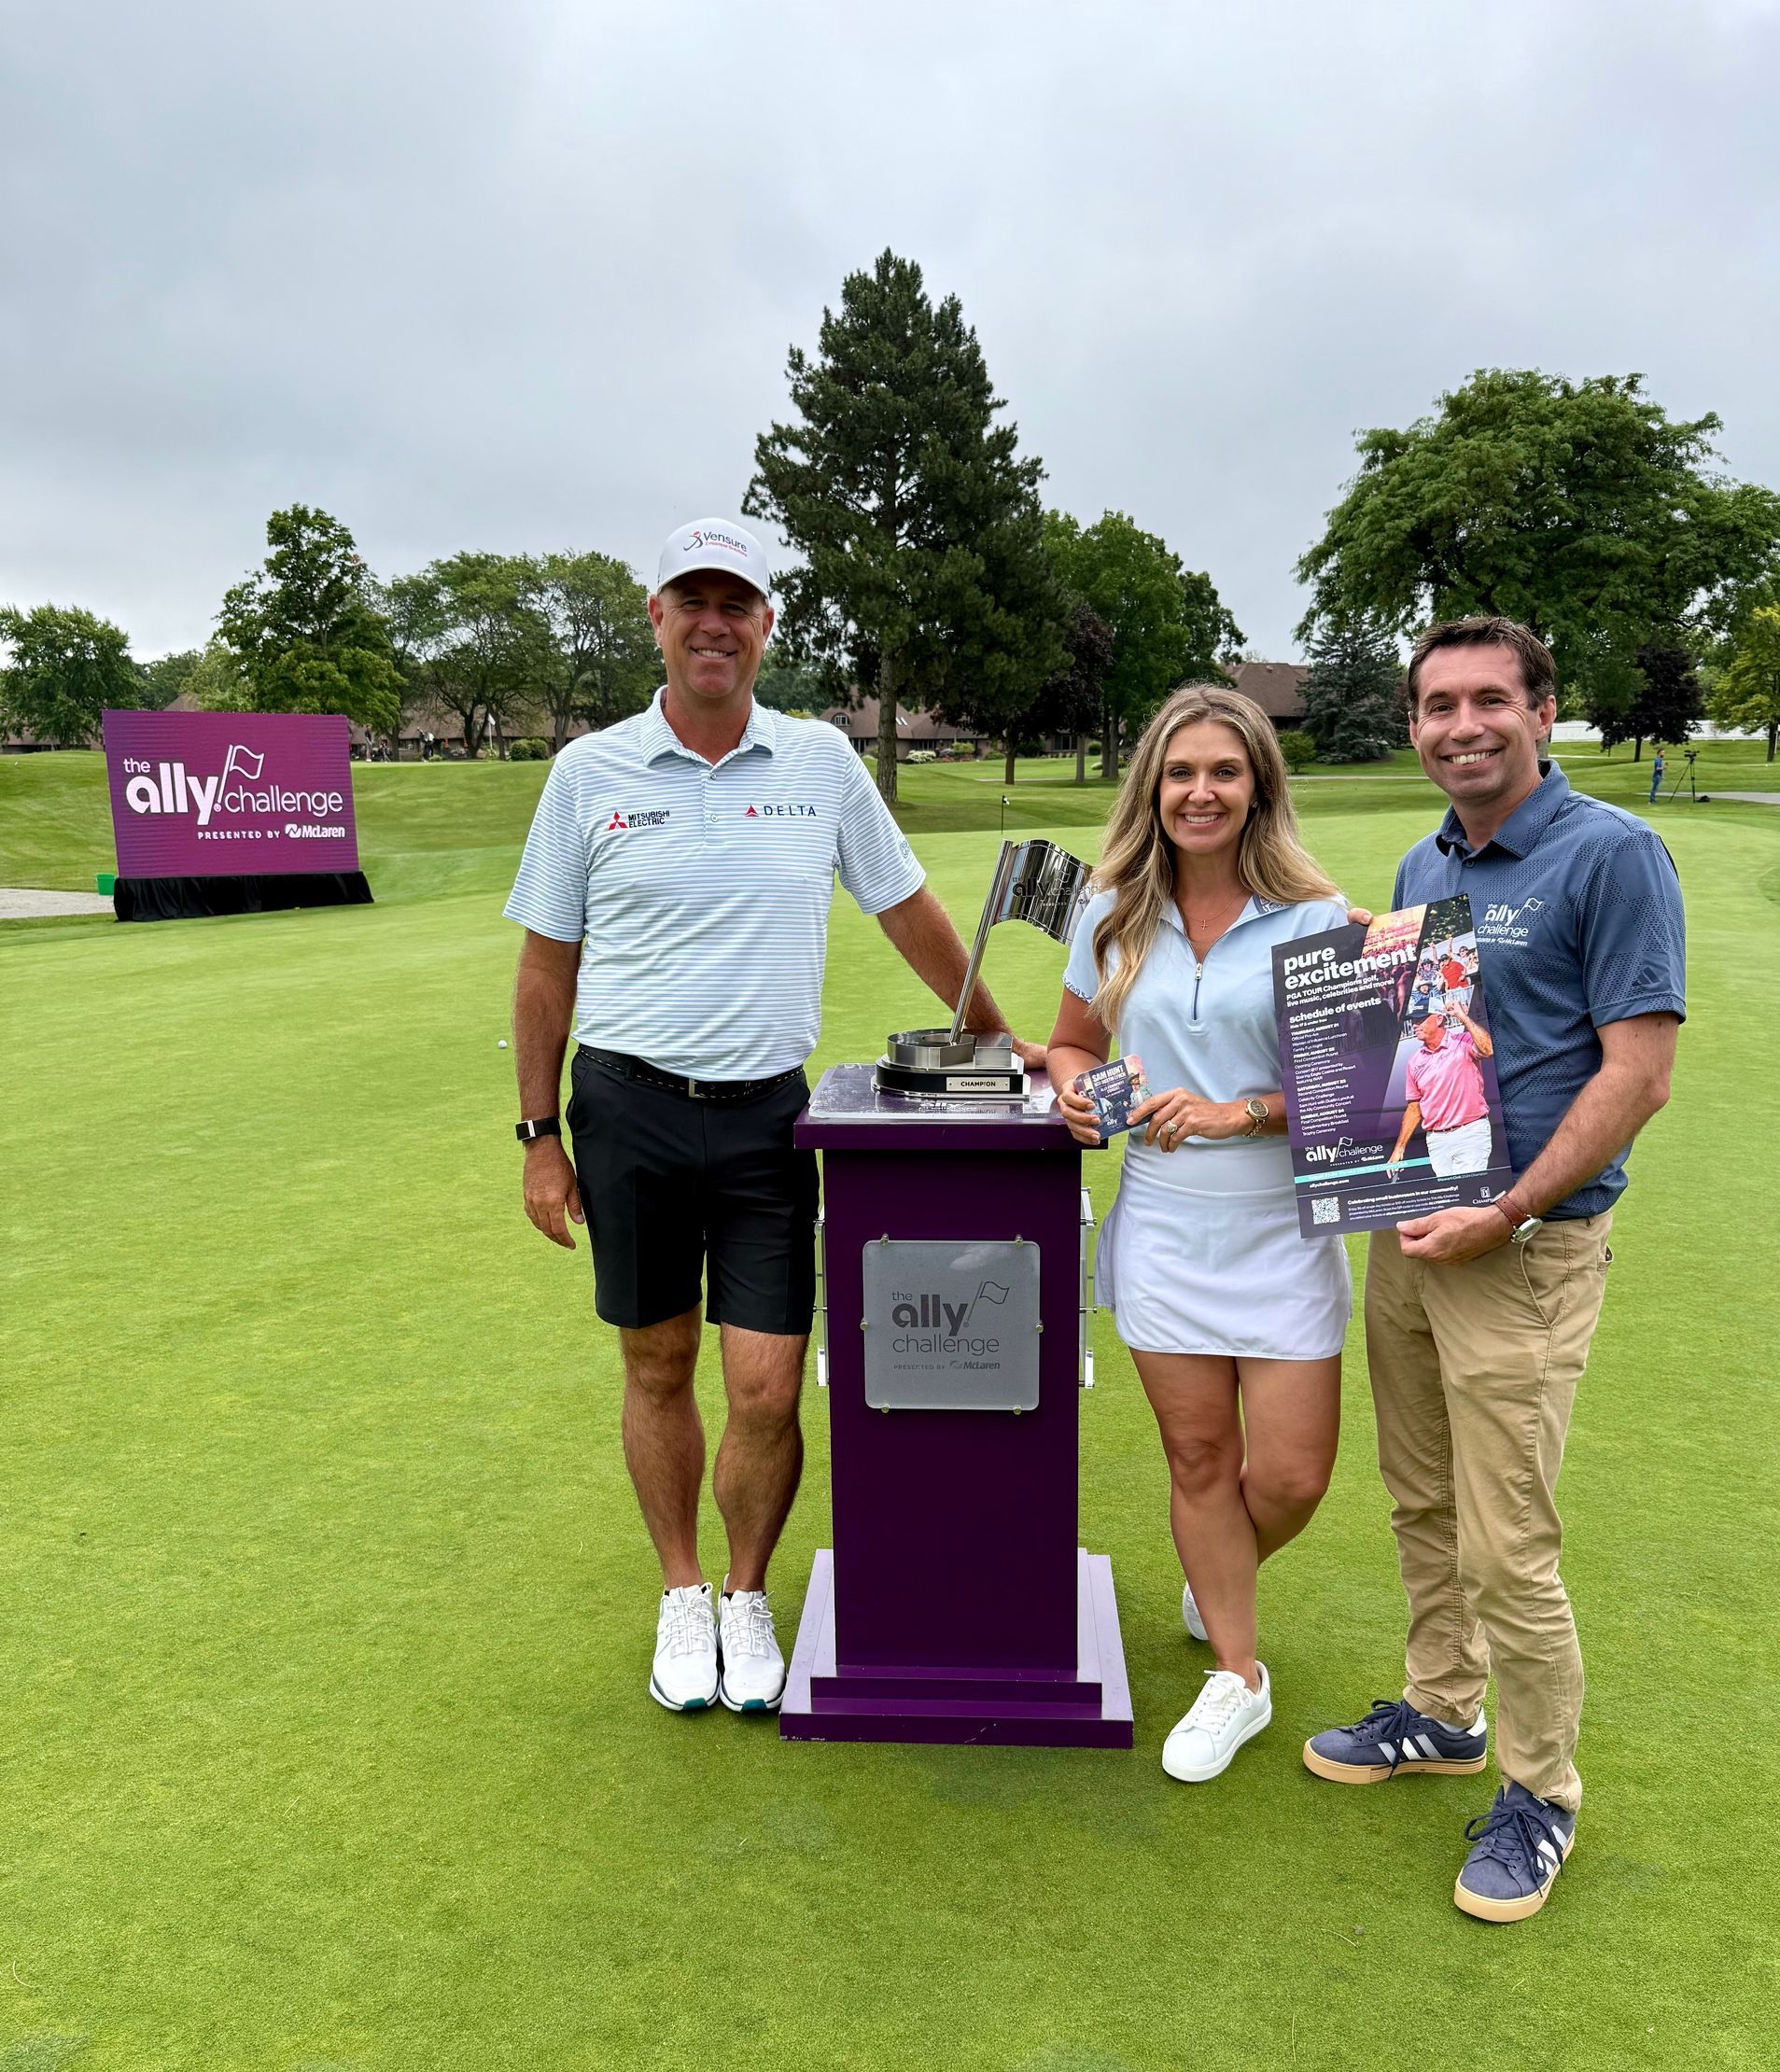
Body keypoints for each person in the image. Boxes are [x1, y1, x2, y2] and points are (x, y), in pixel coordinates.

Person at [505, 517, 1040, 1718]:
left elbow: (908, 909)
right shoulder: (589, 772)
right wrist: (539, 1137)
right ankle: (682, 1588)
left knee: (762, 1386)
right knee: (657, 1363)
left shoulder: (817, 765)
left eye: (734, 603)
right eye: (690, 599)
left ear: (763, 626)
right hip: (627, 1108)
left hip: (766, 1124)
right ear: (656, 616)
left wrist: (1003, 1036)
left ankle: (748, 1593)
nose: (712, 622)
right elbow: (546, 968)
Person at [1304, 617, 1684, 1924]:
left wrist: (1510, 1209)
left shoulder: (1610, 855)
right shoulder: (1426, 855)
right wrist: (1371, 972)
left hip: (1521, 1247)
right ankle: (1439, 1711)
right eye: (1433, 705)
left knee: (1505, 1542)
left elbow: (1635, 1073)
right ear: (1411, 724)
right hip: (1411, 1233)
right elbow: (1436, 1034)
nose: (1458, 725)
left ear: (1541, 710)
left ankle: (1540, 1794)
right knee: (1417, 1502)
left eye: (1485, 701)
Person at [1046, 685, 1352, 1786]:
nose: (1200, 791)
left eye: (1223, 771)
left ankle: (1212, 1569)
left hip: (1279, 1224)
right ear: (1152, 788)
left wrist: (1246, 1109)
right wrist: (1077, 1094)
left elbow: (1356, 1101)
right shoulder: (1110, 909)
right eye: (1180, 773)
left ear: (1258, 786)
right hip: (1165, 1225)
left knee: (1289, 1476)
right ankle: (1237, 1673)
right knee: (1197, 1459)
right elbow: (1070, 1044)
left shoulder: (1321, 921)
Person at [1385, 1001, 1494, 1180]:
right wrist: (1399, 1147)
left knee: (1468, 1192)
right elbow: (1414, 1107)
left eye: (1420, 1019)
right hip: (1436, 1140)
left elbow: (1488, 1049)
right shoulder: (1414, 1062)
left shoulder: (1463, 1042)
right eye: (1413, 1020)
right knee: (1451, 1197)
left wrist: (1463, 1017)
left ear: (1439, 1019)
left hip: (1470, 1132)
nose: (1415, 1025)